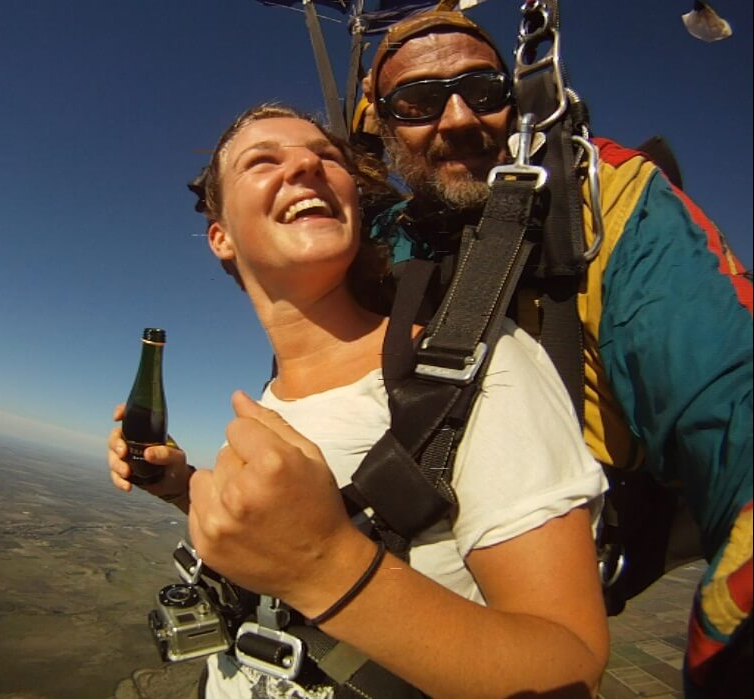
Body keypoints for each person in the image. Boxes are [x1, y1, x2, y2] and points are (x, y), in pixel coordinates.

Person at [110, 104, 609, 697]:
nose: (304, 165)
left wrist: (326, 565)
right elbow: (282, 538)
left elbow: (570, 666)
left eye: (326, 157)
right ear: (221, 236)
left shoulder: (479, 369)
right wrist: (182, 486)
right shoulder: (271, 398)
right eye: (263, 161)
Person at [354, 3, 752, 696]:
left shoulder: (602, 206)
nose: (456, 120)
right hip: (384, 585)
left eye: (482, 91)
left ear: (517, 98)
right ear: (384, 127)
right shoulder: (389, 233)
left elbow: (731, 412)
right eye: (417, 102)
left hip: (539, 609)